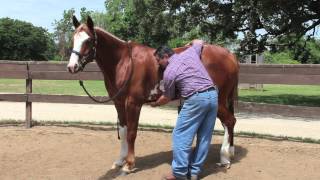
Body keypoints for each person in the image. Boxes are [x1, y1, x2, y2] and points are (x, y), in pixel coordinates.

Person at [150, 40, 218, 180]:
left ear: (165, 57)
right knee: (204, 137)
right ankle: (194, 172)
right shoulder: (190, 53)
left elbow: (167, 97)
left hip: (196, 99)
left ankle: (179, 173)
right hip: (213, 95)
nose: (158, 64)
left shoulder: (169, 72)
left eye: (158, 60)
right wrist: (191, 42)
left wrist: (156, 104)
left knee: (180, 135)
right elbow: (199, 42)